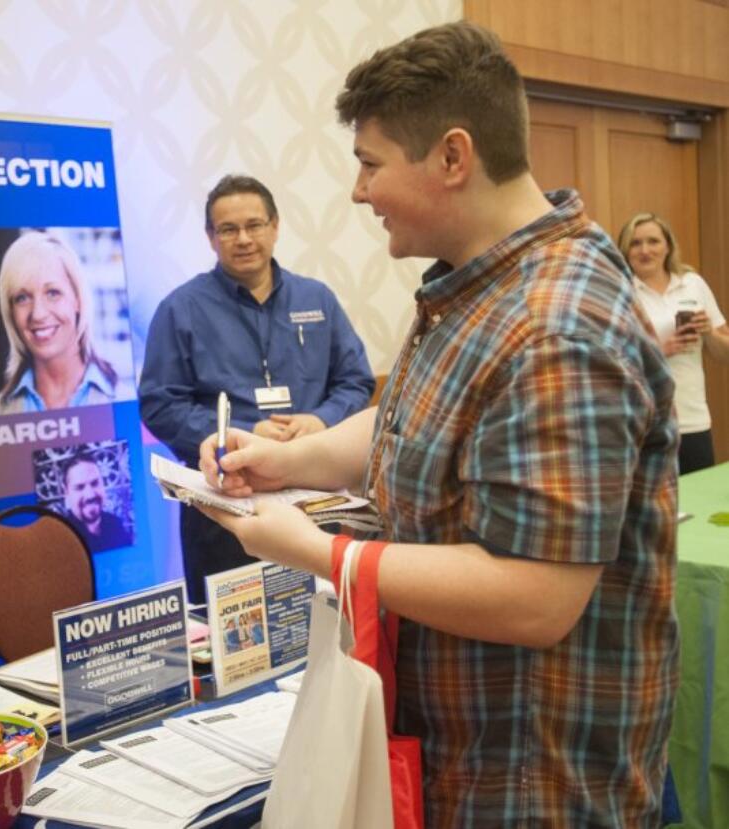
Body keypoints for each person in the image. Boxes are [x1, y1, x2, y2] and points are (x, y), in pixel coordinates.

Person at [199, 23, 678, 825]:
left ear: (453, 158)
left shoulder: (555, 324)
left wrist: (324, 555)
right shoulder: (479, 284)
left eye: (370, 163)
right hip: (461, 753)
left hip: (532, 777)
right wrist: (288, 462)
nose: (358, 191)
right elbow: (414, 418)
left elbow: (536, 595)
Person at [139, 175, 376, 604]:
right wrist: (244, 436)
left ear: (276, 226)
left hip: (315, 503)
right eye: (228, 229)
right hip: (227, 510)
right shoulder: (181, 309)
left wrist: (320, 420)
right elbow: (160, 405)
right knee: (234, 650)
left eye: (255, 225)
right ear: (211, 237)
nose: (244, 239)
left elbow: (355, 380)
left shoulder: (317, 299)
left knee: (323, 625)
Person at [0, 231, 130, 417]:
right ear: (10, 312)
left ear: (77, 299)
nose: (38, 314)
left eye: (53, 293)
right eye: (22, 298)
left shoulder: (129, 403)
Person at [619, 212, 729, 474]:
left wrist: (709, 333)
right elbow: (608, 360)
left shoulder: (693, 284)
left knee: (698, 505)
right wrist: (661, 351)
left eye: (653, 241)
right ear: (625, 249)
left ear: (667, 246)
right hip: (643, 423)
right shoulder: (620, 291)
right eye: (635, 243)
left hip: (693, 419)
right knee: (652, 511)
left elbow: (724, 355)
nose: (645, 250)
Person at [59, 453, 131, 552]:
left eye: (95, 483)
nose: (90, 495)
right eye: (79, 487)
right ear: (66, 492)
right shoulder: (61, 538)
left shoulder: (116, 524)